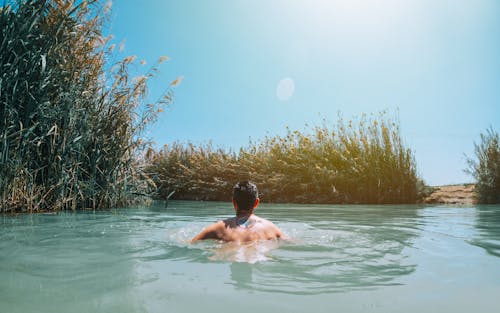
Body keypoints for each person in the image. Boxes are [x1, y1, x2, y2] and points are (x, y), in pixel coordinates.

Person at [191, 181, 285, 243]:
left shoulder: (218, 228)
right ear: (256, 203)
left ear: (233, 202)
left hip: (228, 254)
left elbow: (191, 243)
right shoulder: (270, 227)